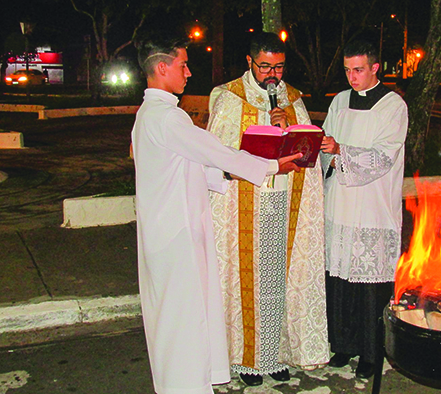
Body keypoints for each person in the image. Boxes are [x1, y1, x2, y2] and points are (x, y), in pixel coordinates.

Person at [131, 35, 302, 394]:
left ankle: (180, 384)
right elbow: (218, 152)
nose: (189, 73)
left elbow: (194, 164)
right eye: (183, 65)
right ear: (162, 68)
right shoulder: (168, 118)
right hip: (177, 235)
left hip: (163, 233)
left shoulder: (147, 114)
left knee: (171, 319)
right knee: (185, 320)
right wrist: (272, 166)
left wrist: (228, 172)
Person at [206, 31, 329, 387]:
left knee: (277, 282)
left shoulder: (292, 98)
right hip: (244, 206)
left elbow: (308, 150)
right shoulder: (229, 96)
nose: (272, 74)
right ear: (250, 62)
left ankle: (273, 355)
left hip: (282, 203)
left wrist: (288, 130)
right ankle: (247, 360)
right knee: (247, 284)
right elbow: (217, 152)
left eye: (278, 66)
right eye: (265, 67)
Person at [320, 39, 408, 379]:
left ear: (375, 68)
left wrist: (341, 149)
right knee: (339, 279)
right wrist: (322, 148)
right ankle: (342, 345)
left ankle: (372, 354)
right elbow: (326, 144)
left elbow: (384, 155)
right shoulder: (340, 101)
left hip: (373, 205)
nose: (351, 77)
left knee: (369, 286)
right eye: (347, 70)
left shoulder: (392, 106)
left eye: (358, 70)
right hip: (339, 202)